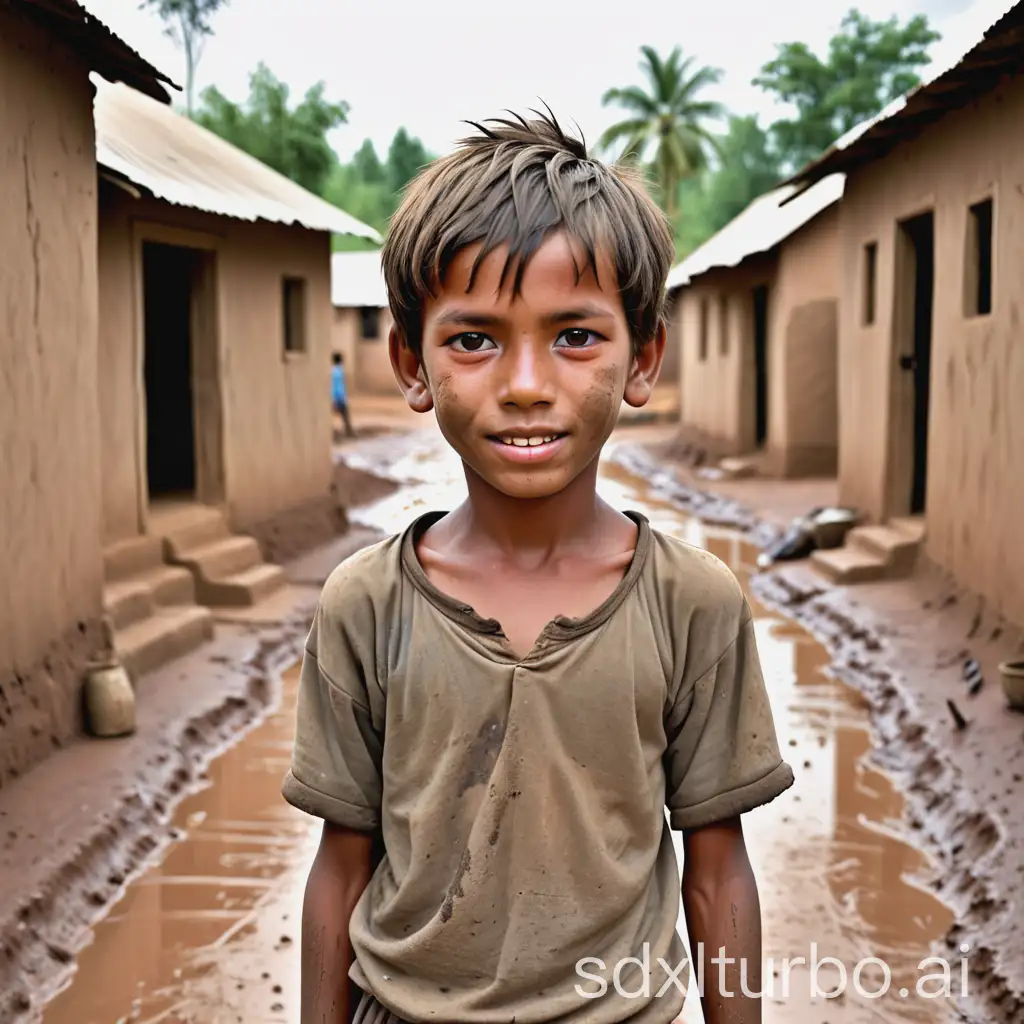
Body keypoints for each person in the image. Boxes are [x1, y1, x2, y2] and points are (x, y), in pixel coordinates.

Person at [283, 111, 794, 1024]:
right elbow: (342, 865)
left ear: (643, 358)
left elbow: (718, 875)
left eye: (574, 337)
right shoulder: (365, 604)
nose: (524, 382)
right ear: (413, 363)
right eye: (474, 339)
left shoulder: (691, 604)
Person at [332, 351, 355, 439]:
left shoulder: (334, 370)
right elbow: (338, 387)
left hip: (336, 397)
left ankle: (347, 432)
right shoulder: (338, 371)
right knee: (345, 415)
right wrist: (340, 398)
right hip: (339, 397)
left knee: (344, 415)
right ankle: (348, 432)